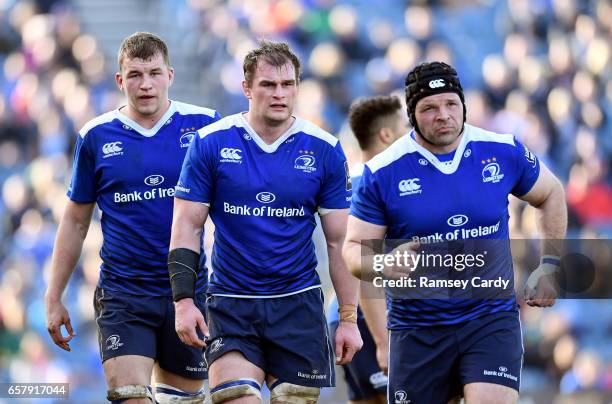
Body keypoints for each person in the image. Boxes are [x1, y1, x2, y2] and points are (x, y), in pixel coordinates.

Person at [343, 61, 567, 404]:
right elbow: (353, 249)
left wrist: (550, 264)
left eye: (451, 104)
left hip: (490, 319)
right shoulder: (382, 172)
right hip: (417, 330)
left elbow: (551, 194)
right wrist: (382, 263)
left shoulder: (502, 150)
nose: (443, 115)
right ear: (412, 115)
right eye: (429, 108)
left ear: (463, 105)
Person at [168, 40, 363, 404]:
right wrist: (183, 301)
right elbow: (186, 227)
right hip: (231, 303)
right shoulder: (210, 143)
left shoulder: (324, 149)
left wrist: (349, 319)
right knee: (236, 397)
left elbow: (340, 242)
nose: (279, 94)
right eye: (268, 85)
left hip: (297, 305)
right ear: (246, 88)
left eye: (287, 85)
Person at [44, 32, 220, 403]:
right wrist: (54, 294)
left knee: (182, 400)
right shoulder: (95, 136)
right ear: (120, 80)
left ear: (170, 75)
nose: (145, 84)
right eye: (135, 75)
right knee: (129, 395)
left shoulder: (205, 126)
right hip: (124, 294)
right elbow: (76, 221)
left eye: (154, 73)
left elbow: (229, 211)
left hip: (187, 294)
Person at [327, 94, 408, 404]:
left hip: (368, 317)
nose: (412, 134)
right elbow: (361, 268)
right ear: (386, 135)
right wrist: (383, 341)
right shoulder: (365, 186)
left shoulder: (366, 181)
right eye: (405, 127)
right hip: (366, 320)